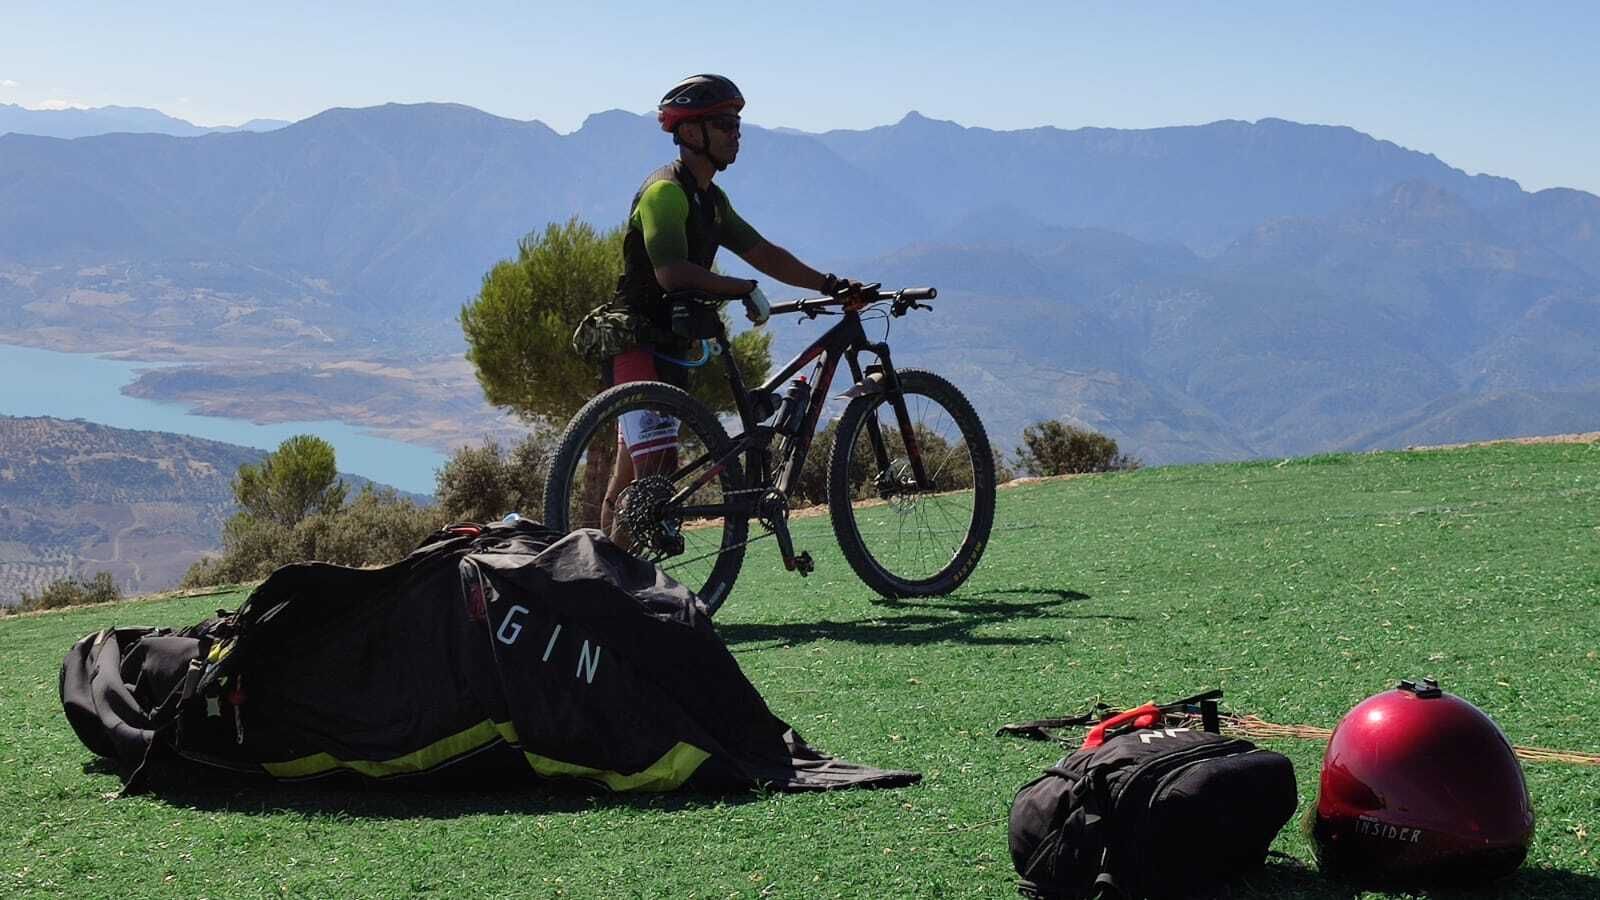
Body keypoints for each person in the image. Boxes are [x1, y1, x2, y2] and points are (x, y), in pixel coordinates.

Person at [600, 73, 866, 545]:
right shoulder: (666, 192)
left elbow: (763, 252)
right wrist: (740, 288)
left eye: (737, 123)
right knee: (654, 480)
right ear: (688, 133)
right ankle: (615, 588)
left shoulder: (711, 199)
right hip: (639, 344)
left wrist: (828, 283)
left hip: (670, 347)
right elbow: (671, 273)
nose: (735, 133)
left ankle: (602, 586)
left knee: (632, 478)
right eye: (724, 123)